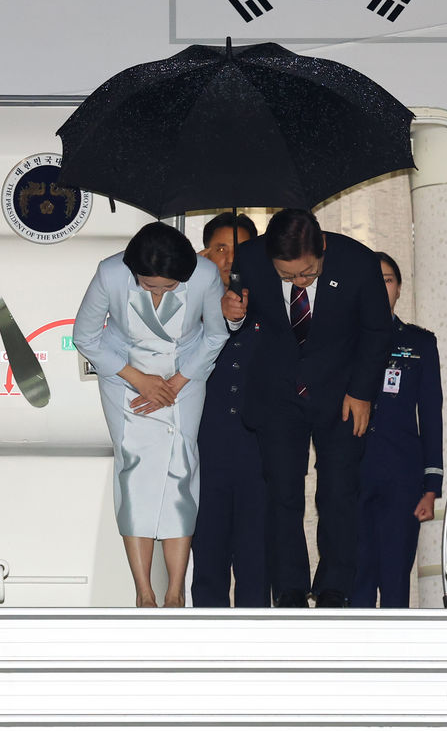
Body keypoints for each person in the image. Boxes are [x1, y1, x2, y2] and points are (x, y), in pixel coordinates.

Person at [222, 208, 392, 608]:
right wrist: (233, 315)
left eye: (308, 273)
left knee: (338, 491)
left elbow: (377, 331)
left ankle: (334, 587)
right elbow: (243, 323)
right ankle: (289, 589)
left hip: (342, 392)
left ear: (323, 247)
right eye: (287, 277)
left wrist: (362, 392)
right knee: (282, 491)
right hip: (278, 393)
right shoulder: (250, 259)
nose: (299, 282)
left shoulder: (359, 262)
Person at [73, 222, 229, 608]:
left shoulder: (205, 274)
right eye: (148, 286)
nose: (158, 294)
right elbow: (85, 336)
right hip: (125, 375)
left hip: (184, 376)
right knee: (133, 469)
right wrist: (138, 379)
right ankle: (143, 592)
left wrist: (175, 384)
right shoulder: (110, 273)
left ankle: (175, 592)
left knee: (181, 470)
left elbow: (215, 335)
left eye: (169, 287)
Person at [351, 252, 444, 608]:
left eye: (387, 280)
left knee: (394, 579)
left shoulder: (419, 343)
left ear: (400, 288)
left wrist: (431, 486)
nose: (380, 288)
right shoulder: (342, 340)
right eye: (373, 281)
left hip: (401, 477)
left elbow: (430, 415)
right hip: (352, 473)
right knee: (356, 577)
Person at [191, 212, 270, 607]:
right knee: (208, 555)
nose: (229, 258)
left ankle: (259, 642)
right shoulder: (187, 307)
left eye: (238, 249)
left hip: (260, 450)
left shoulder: (272, 306)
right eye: (219, 248)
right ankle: (207, 640)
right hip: (205, 447)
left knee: (257, 558)